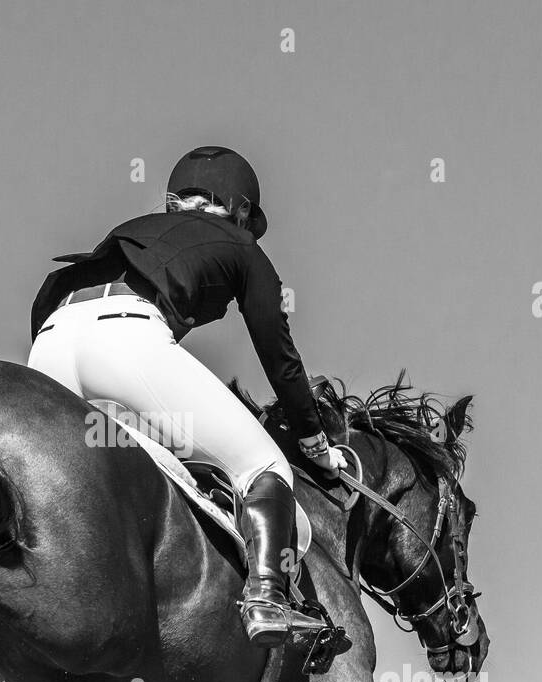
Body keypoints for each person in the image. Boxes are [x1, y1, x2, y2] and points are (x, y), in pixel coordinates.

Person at [28, 146, 346, 647]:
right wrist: (313, 441)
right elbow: (277, 352)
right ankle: (268, 599)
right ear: (241, 210)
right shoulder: (243, 247)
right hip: (124, 338)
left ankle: (16, 653)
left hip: (47, 343)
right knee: (264, 469)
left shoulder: (131, 229)